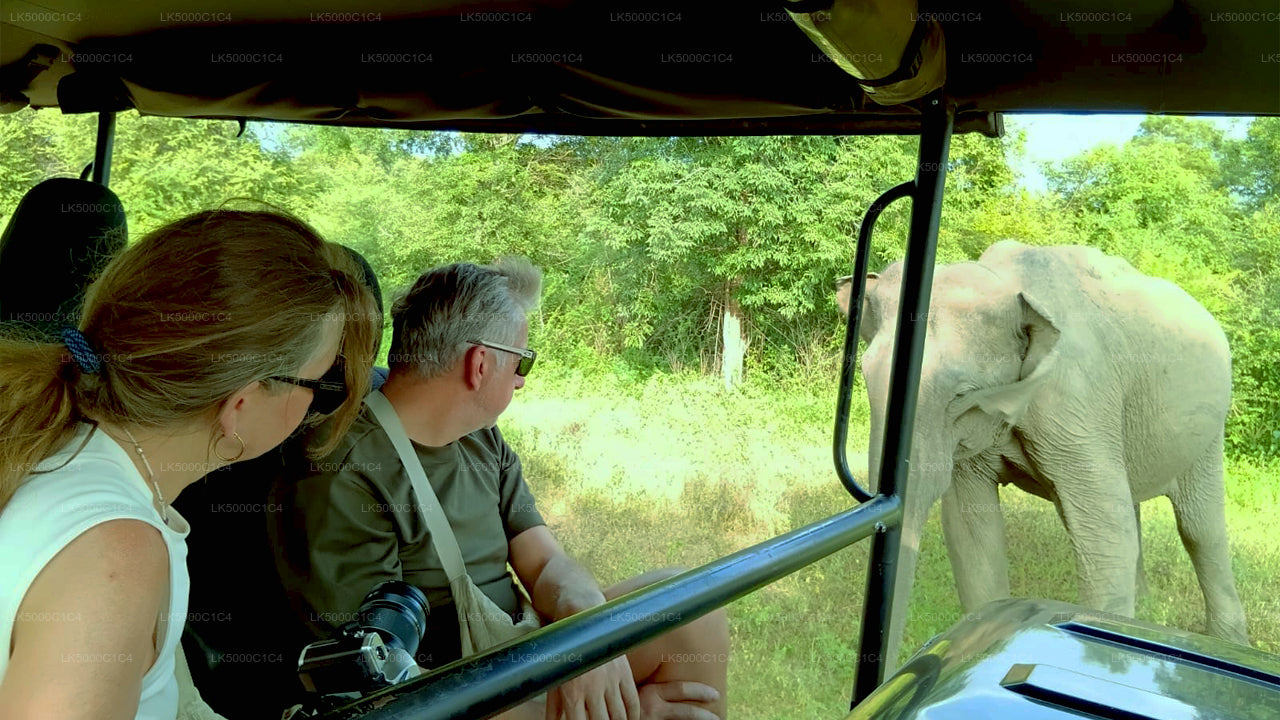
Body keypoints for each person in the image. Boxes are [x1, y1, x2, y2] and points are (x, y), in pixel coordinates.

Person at [269, 258, 730, 720]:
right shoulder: (342, 471)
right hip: (438, 692)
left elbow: (545, 562)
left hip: (511, 655)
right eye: (521, 360)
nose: (523, 379)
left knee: (691, 612)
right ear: (480, 363)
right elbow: (376, 689)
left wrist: (592, 633)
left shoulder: (481, 437)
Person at [0, 209, 380, 720]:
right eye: (319, 384)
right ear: (241, 405)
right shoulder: (116, 556)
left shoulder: (49, 440)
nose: (318, 407)